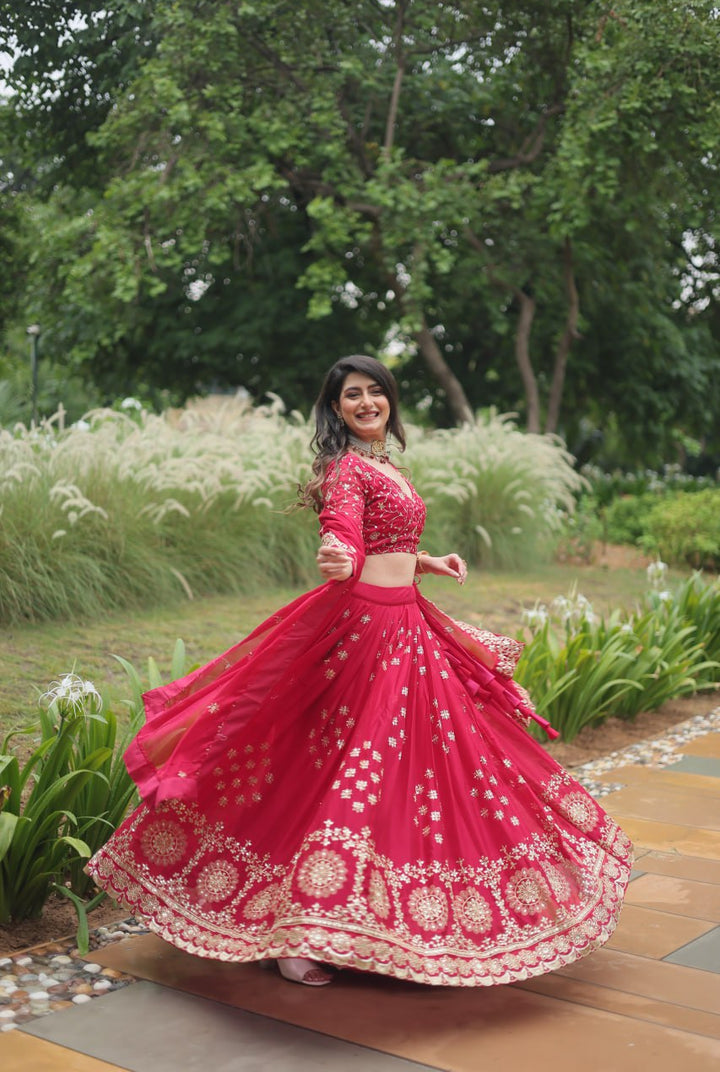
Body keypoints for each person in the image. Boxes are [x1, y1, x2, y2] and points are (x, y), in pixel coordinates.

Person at [87, 354, 632, 988]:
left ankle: (355, 918)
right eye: (353, 395)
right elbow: (343, 529)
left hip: (405, 621)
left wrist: (426, 560)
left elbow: (382, 541)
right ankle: (301, 934)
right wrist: (337, 551)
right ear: (336, 407)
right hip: (368, 633)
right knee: (351, 766)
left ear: (390, 400)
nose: (367, 402)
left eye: (376, 391)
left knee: (403, 767)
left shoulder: (384, 465)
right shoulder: (346, 469)